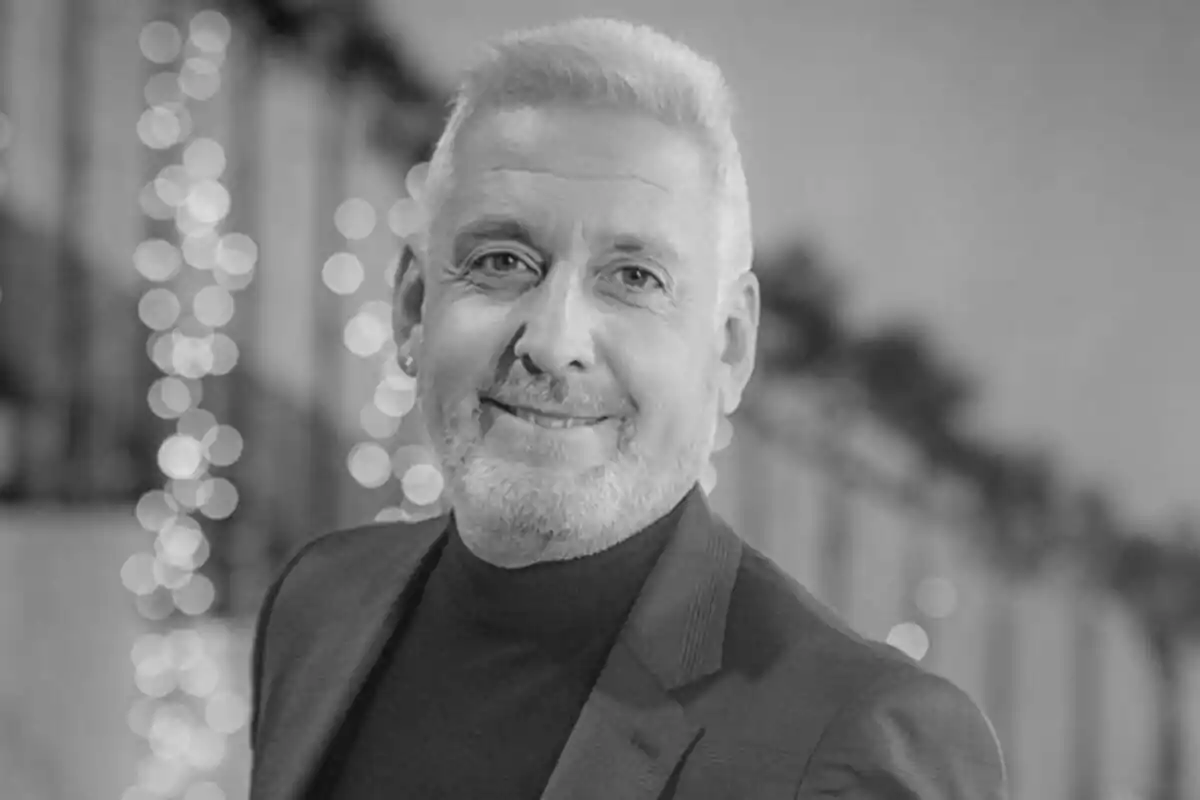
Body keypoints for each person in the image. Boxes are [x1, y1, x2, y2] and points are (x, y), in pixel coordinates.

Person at [249, 17, 1007, 800]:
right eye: (501, 261)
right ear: (413, 307)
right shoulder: (318, 604)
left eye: (634, 278)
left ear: (731, 349)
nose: (552, 341)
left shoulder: (855, 736)